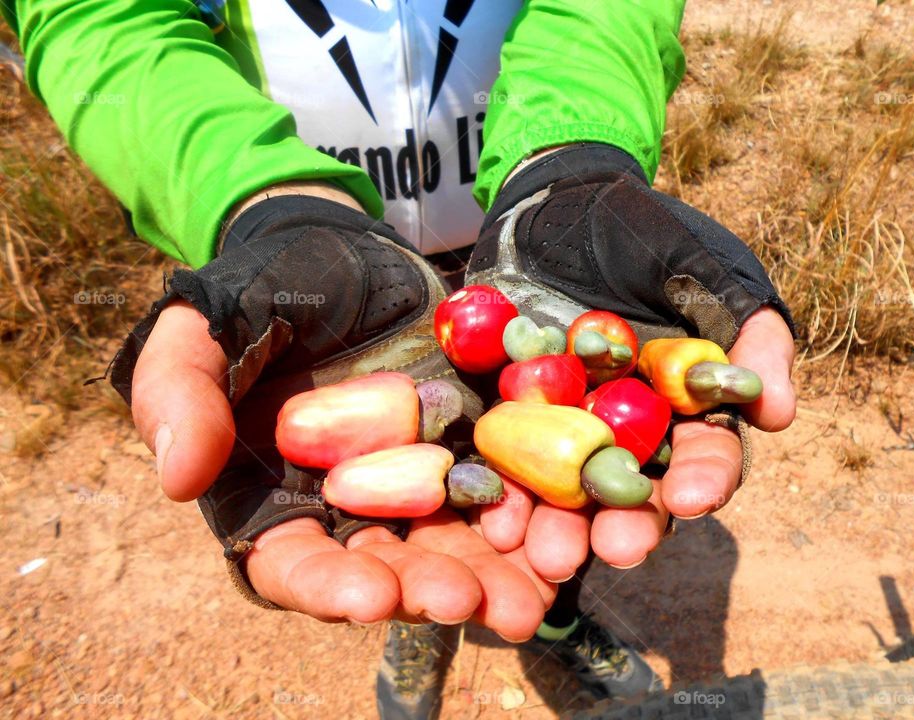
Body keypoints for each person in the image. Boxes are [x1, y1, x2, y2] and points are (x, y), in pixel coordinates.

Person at [3, 1, 797, 717]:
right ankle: (422, 623)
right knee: (437, 514)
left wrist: (569, 166)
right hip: (332, 288)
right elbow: (103, 19)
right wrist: (258, 201)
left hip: (530, 257)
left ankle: (556, 614)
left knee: (556, 510)